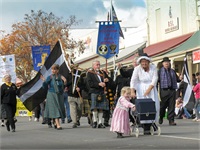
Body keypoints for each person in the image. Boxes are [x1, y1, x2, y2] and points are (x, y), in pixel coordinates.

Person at [130, 53, 160, 134]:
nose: (144, 63)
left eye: (145, 62)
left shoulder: (153, 68)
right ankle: (145, 125)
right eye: (142, 62)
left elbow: (155, 79)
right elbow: (133, 80)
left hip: (151, 88)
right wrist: (132, 91)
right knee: (143, 107)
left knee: (153, 106)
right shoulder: (137, 69)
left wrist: (149, 89)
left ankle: (152, 122)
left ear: (148, 62)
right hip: (141, 88)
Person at [40, 64, 66, 130]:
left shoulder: (61, 77)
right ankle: (58, 125)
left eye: (55, 69)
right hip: (51, 94)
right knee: (55, 108)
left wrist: (65, 81)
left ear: (58, 70)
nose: (53, 71)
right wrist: (44, 81)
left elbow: (63, 86)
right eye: (52, 69)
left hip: (59, 94)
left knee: (60, 108)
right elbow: (45, 86)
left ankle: (54, 121)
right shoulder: (50, 77)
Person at [86, 60, 109, 128]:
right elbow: (89, 83)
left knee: (101, 108)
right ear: (93, 66)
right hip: (94, 91)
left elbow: (108, 80)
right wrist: (98, 84)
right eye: (97, 65)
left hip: (102, 92)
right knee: (95, 107)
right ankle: (95, 121)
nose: (98, 66)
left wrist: (106, 81)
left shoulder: (103, 72)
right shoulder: (90, 73)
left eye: (99, 64)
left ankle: (100, 122)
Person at [158, 57, 180, 126]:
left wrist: (180, 78)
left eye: (168, 62)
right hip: (164, 90)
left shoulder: (172, 71)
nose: (167, 63)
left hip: (172, 90)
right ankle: (161, 116)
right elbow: (156, 81)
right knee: (163, 106)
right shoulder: (159, 71)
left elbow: (177, 80)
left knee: (171, 106)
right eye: (165, 62)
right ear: (163, 63)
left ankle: (171, 120)